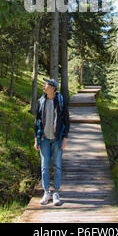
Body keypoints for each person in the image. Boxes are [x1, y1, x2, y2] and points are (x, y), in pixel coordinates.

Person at [34, 78, 70, 206]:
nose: (44, 86)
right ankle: (46, 192)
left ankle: (56, 193)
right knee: (44, 166)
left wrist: (65, 138)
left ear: (53, 88)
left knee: (57, 166)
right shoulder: (41, 101)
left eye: (47, 85)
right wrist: (36, 139)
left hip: (57, 139)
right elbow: (37, 121)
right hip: (44, 138)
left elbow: (67, 121)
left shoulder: (60, 102)